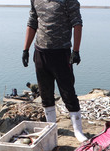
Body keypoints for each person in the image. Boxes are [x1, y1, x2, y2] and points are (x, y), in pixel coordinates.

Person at [22, 0, 88, 142]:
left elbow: (77, 23)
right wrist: (25, 49)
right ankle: (51, 127)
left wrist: (76, 50)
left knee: (68, 92)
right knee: (45, 93)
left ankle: (78, 131)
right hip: (40, 53)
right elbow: (32, 22)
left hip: (61, 53)